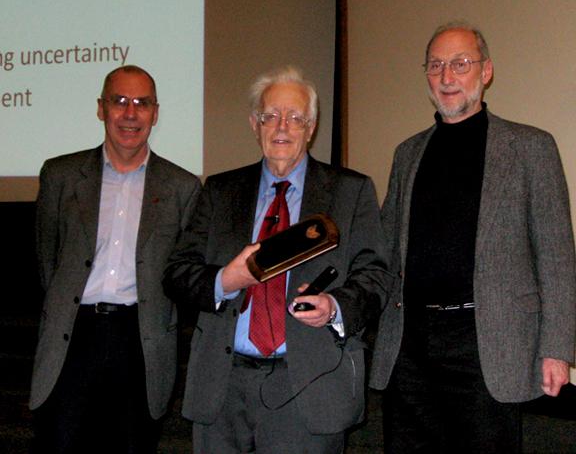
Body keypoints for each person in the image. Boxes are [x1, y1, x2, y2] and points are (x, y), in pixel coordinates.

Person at [370, 22, 576, 453]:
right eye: (436, 66)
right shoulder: (408, 153)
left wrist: (556, 348)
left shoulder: (530, 148)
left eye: (460, 64)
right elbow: (384, 249)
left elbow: (557, 257)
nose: (447, 77)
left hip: (486, 343)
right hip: (410, 344)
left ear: (486, 72)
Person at [163, 66, 388, 453]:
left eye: (295, 117)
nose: (282, 126)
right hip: (223, 385)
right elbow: (176, 273)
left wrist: (334, 306)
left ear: (312, 126)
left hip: (308, 383)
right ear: (255, 123)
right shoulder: (219, 191)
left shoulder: (350, 192)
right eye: (270, 116)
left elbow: (376, 276)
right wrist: (226, 281)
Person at [30, 65, 201, 453]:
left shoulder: (183, 187)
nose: (130, 113)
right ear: (101, 108)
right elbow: (47, 260)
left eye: (141, 103)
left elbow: (182, 273)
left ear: (155, 113)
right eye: (119, 101)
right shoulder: (60, 175)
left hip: (139, 341)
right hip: (71, 337)